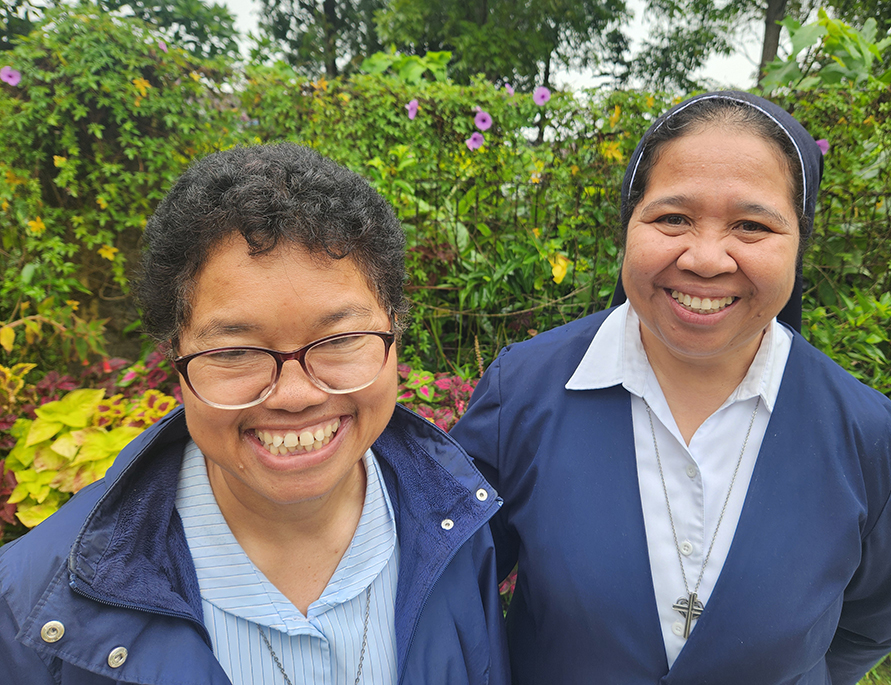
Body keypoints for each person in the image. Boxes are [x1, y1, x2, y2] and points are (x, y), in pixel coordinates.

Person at [451, 91, 891, 684]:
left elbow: (877, 618)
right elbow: (454, 581)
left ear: (800, 245)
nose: (706, 259)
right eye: (673, 218)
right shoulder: (522, 391)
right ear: (628, 226)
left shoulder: (869, 438)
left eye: (752, 225)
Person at [0, 143, 509, 685]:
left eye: (339, 338)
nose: (294, 395)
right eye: (234, 351)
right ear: (175, 355)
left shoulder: (456, 526)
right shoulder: (32, 609)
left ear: (395, 333)